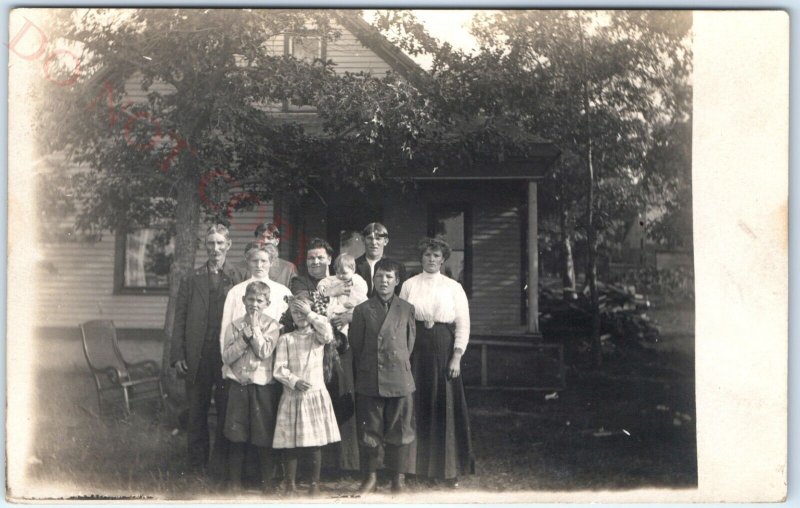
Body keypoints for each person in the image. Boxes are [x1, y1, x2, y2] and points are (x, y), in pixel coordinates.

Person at [399, 237, 475, 487]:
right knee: (415, 406)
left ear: (443, 259)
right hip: (415, 349)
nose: (431, 259)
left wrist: (457, 355)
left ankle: (448, 471)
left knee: (444, 407)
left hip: (443, 348)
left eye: (436, 256)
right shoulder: (409, 285)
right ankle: (416, 469)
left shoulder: (453, 287)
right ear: (421, 257)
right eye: (427, 255)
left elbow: (463, 323)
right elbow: (400, 322)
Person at [170, 224, 244, 478]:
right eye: (210, 243)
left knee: (226, 410)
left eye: (220, 243)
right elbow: (179, 319)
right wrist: (178, 355)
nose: (215, 249)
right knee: (197, 411)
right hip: (197, 354)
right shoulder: (192, 278)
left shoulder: (238, 277)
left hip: (226, 355)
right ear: (205, 246)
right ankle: (197, 466)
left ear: (228, 245)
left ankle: (221, 466)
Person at [290, 238, 359, 473]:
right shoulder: (300, 281)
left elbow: (361, 304)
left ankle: (344, 465)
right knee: (314, 403)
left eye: (320, 257)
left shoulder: (346, 278)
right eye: (311, 258)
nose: (315, 262)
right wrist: (330, 293)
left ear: (330, 259)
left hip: (342, 347)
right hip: (311, 350)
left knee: (341, 398)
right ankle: (315, 468)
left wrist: (351, 315)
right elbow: (303, 305)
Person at [349, 259, 416, 495]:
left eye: (389, 277)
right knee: (370, 430)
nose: (383, 281)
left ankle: (398, 478)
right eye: (379, 276)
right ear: (373, 280)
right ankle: (370, 477)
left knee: (400, 429)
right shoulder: (362, 310)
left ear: (397, 281)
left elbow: (409, 345)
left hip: (399, 377)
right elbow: (356, 345)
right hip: (371, 378)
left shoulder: (407, 309)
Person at [272, 295, 342, 496]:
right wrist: (294, 381)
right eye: (296, 312)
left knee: (315, 442)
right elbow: (279, 369)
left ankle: (314, 484)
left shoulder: (318, 336)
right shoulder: (286, 339)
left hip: (314, 395)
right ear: (290, 316)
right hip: (293, 396)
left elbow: (328, 332)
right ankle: (290, 484)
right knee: (290, 443)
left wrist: (311, 314)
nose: (301, 316)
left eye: (304, 312)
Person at [221, 281, 282, 493]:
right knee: (236, 433)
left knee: (262, 433)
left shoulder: (273, 326)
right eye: (250, 300)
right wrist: (242, 340)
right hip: (238, 385)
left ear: (267, 303)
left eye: (259, 301)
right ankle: (235, 483)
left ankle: (266, 483)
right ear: (243, 301)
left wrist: (254, 330)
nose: (254, 304)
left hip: (261, 385)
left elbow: (265, 351)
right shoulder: (235, 325)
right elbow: (227, 356)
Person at [221, 243, 293, 339]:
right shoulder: (235, 291)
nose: (259, 265)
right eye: (254, 261)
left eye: (263, 261)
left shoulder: (283, 292)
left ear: (271, 263)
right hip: (241, 347)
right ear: (248, 262)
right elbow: (226, 328)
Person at [317, 253, 369, 337]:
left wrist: (352, 302)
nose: (340, 276)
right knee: (330, 318)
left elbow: (362, 292)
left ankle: (343, 337)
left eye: (344, 273)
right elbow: (325, 281)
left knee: (347, 325)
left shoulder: (357, 280)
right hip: (336, 306)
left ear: (353, 269)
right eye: (338, 272)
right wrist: (321, 286)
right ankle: (334, 335)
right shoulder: (334, 278)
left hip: (350, 306)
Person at [355, 223, 406, 297]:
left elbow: (400, 297)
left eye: (378, 239)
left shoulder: (397, 267)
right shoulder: (352, 266)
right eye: (369, 238)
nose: (373, 242)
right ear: (363, 240)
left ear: (385, 241)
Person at [254, 222, 299, 287]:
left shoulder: (288, 268)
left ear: (277, 242)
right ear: (256, 240)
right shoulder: (245, 267)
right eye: (261, 237)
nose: (265, 241)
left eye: (269, 238)